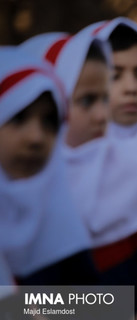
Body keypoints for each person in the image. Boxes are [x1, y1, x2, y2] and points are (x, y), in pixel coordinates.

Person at [21, 22, 137, 320]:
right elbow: (15, 303)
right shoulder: (17, 196)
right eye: (86, 101)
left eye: (104, 99)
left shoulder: (121, 169)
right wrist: (111, 306)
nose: (101, 114)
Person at [0, 46, 95, 287]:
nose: (36, 138)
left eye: (49, 122)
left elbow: (103, 306)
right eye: (18, 117)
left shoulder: (57, 217)